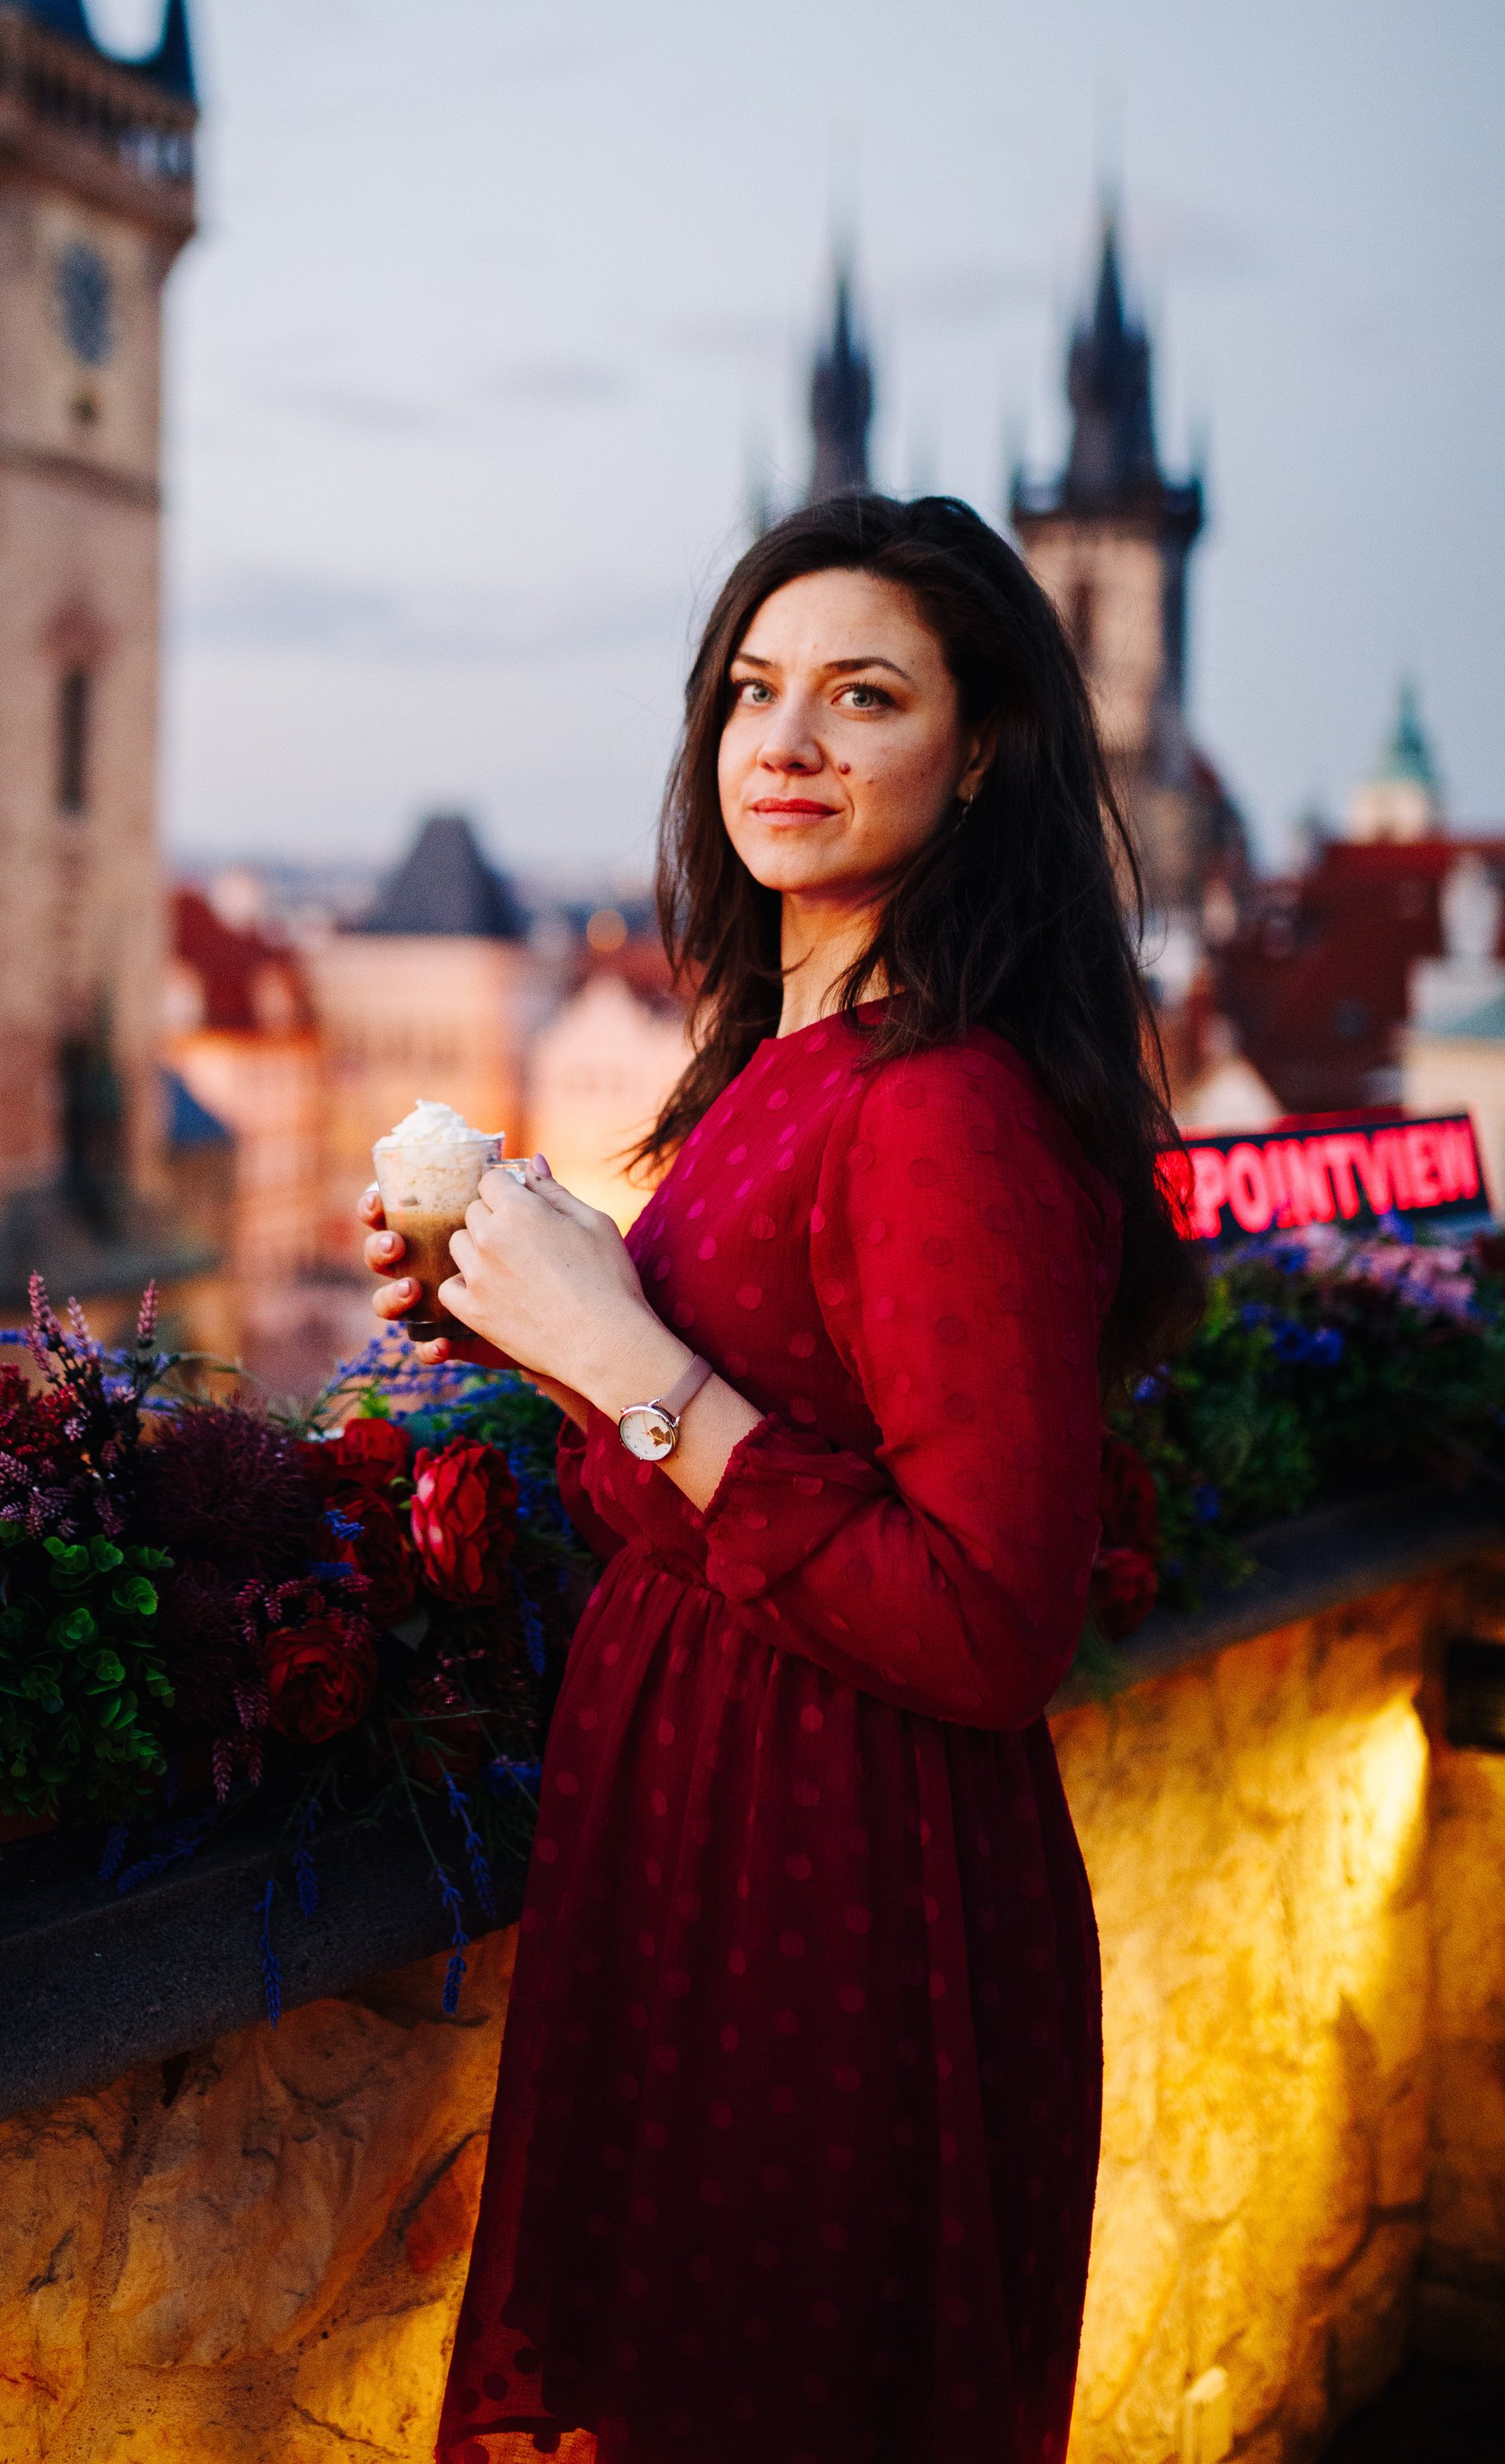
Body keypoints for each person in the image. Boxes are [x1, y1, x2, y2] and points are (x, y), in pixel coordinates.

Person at [359, 494, 1200, 2464]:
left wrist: (632, 1363)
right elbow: (754, 1428)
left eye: (860, 695)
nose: (784, 743)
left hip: (836, 1875)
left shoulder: (938, 1103)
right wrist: (534, 1317)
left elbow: (993, 1623)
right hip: (713, 1822)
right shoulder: (781, 1055)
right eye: (751, 690)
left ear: (978, 748)